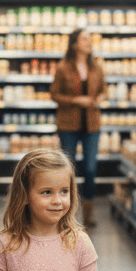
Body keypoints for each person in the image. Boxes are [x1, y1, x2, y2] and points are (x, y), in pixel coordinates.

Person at [51, 28, 106, 228]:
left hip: (92, 124)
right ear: (75, 44)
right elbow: (54, 94)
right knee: (68, 169)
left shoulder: (96, 66)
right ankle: (66, 215)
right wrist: (76, 100)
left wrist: (100, 97)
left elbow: (103, 89)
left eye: (90, 39)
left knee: (90, 169)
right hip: (68, 124)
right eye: (84, 39)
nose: (89, 42)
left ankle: (88, 214)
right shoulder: (63, 67)